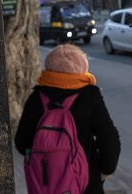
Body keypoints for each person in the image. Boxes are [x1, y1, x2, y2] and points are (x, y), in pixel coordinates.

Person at [15, 44, 121, 193]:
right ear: (81, 66)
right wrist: (105, 171)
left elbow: (21, 143)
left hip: (44, 184)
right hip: (85, 182)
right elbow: (109, 139)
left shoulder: (36, 97)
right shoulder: (89, 96)